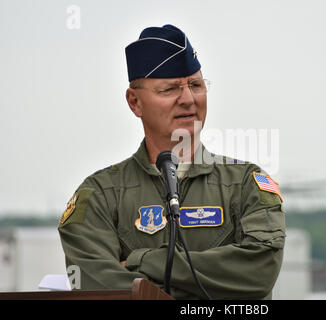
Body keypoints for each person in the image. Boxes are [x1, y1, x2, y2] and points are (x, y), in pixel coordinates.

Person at [58, 24, 286, 300]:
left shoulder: (245, 184)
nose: (188, 99)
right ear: (135, 102)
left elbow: (258, 272)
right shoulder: (100, 195)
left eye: (196, 85)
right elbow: (96, 286)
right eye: (169, 89)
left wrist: (142, 262)